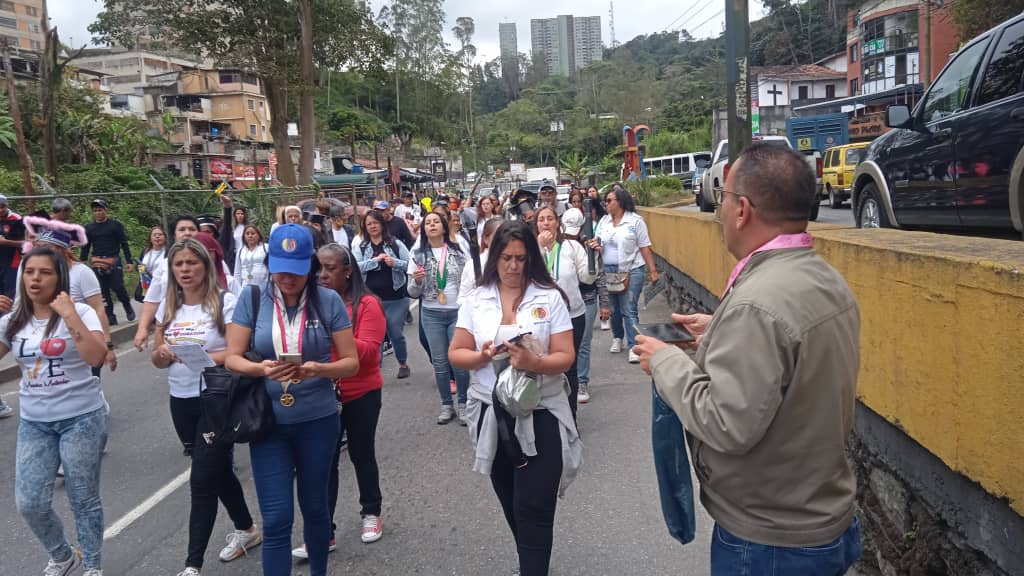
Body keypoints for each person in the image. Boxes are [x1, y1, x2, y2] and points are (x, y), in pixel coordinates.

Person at [632, 143, 862, 575]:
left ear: (742, 210)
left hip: (770, 541)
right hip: (819, 517)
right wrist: (718, 332)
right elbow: (787, 368)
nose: (720, 212)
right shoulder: (822, 278)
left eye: (723, 198)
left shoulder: (757, 304)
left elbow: (725, 421)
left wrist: (665, 361)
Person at [225, 224, 359, 576]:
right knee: (277, 517)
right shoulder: (253, 297)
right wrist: (261, 370)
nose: (288, 278)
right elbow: (232, 357)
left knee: (315, 510)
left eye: (297, 270)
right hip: (268, 423)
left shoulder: (327, 300)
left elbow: (351, 362)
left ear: (311, 267)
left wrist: (318, 369)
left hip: (318, 421)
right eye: (281, 268)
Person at [449, 220, 581, 576]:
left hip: (541, 412)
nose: (513, 266)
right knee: (512, 504)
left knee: (533, 506)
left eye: (521, 259)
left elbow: (565, 356)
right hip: (494, 415)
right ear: (495, 257)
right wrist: (480, 357)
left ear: (530, 259)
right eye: (506, 258)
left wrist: (535, 362)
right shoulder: (477, 298)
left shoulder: (549, 296)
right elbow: (456, 352)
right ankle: (531, 561)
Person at [151, 239, 261, 576]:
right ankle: (246, 529)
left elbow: (234, 354)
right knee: (217, 470)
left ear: (206, 266)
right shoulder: (168, 309)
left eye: (191, 263)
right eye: (179, 264)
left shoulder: (224, 303)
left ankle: (192, 565)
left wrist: (193, 355)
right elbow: (157, 359)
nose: (184, 270)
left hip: (216, 399)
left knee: (201, 480)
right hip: (180, 400)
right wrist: (163, 354)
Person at [1, 246, 109, 576]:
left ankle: (92, 565)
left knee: (83, 497)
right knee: (30, 502)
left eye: (45, 272)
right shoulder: (12, 321)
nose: (36, 278)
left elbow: (95, 357)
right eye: (30, 272)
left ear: (59, 277)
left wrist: (70, 315)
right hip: (35, 421)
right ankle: (62, 554)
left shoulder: (80, 313)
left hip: (82, 418)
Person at [291, 243, 386, 558]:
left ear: (348, 271)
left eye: (330, 268)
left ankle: (371, 512)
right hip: (321, 395)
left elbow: (371, 353)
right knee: (323, 463)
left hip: (361, 393)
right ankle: (322, 532)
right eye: (319, 268)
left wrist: (336, 336)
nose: (322, 275)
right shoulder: (309, 305)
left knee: (361, 454)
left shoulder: (367, 304)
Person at [407, 211, 471, 425]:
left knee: (459, 361)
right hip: (431, 313)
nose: (432, 225)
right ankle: (446, 405)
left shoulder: (459, 248)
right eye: (428, 223)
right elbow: (412, 293)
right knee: (440, 362)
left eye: (436, 221)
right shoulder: (417, 253)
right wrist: (416, 282)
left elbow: (472, 278)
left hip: (458, 312)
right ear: (423, 229)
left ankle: (463, 403)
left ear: (444, 226)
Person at [535, 206, 594, 417]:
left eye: (550, 218)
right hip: (541, 318)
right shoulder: (530, 249)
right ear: (536, 224)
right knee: (543, 365)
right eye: (541, 219)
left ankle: (571, 414)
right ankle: (547, 414)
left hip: (572, 315)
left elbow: (588, 278)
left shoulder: (571, 247)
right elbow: (525, 276)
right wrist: (537, 247)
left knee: (569, 365)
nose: (546, 223)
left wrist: (593, 255)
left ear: (557, 223)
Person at [592, 185, 658, 363]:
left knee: (629, 308)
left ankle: (633, 346)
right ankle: (617, 337)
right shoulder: (603, 222)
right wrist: (597, 246)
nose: (606, 204)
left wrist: (652, 271)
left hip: (632, 269)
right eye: (605, 201)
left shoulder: (635, 221)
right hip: (608, 270)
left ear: (620, 202)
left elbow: (645, 247)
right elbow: (597, 242)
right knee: (613, 309)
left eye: (609, 200)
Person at [355, 210, 412, 379]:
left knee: (395, 332)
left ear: (382, 224)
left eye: (375, 223)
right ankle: (375, 368)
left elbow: (410, 265)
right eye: (369, 224)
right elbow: (356, 267)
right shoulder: (361, 246)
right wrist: (375, 261)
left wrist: (394, 262)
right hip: (371, 299)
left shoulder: (395, 244)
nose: (372, 226)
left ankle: (402, 362)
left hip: (396, 297)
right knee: (374, 335)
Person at [560, 208, 609, 404]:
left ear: (582, 227)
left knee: (583, 344)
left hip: (587, 299)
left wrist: (604, 303)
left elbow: (597, 276)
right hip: (564, 303)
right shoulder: (557, 245)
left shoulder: (590, 243)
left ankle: (581, 381)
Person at [134, 216, 200, 350]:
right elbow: (152, 299)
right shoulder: (164, 265)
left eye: (192, 229)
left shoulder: (213, 262)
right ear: (174, 235)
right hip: (172, 327)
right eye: (182, 229)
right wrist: (143, 328)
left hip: (203, 327)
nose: (187, 233)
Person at [80, 199, 135, 326]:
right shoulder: (89, 228)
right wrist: (82, 261)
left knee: (118, 287)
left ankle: (127, 306)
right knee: (103, 291)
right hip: (97, 261)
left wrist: (129, 261)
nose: (98, 213)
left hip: (113, 260)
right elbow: (86, 246)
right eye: (95, 211)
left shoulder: (115, 225)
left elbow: (124, 243)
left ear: (105, 210)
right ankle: (110, 316)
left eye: (100, 210)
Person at [0, 193, 26, 299]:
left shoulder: (17, 220)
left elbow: (27, 243)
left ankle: (10, 315)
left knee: (10, 293)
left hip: (12, 262)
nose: (0, 210)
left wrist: (6, 242)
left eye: (2, 207)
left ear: (7, 206)